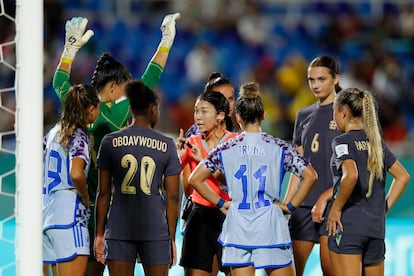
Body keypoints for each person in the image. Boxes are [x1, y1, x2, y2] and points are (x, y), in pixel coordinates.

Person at [52, 14, 180, 275]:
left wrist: (69, 50)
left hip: (75, 205)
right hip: (109, 207)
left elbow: (59, 83)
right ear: (112, 88)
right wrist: (165, 42)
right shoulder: (114, 113)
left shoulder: (78, 104)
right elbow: (150, 78)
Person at [188, 82, 318, 276]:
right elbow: (310, 175)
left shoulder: (226, 148)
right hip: (270, 225)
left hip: (239, 226)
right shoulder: (279, 147)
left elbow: (195, 178)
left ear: (238, 117)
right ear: (263, 115)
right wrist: (290, 206)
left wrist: (221, 203)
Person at [94, 80, 181, 276]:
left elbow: (104, 193)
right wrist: (172, 238)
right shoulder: (167, 144)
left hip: (119, 229)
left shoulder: (109, 142)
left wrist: (99, 234)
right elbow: (173, 197)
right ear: (153, 109)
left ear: (131, 110)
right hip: (155, 231)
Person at [326, 88, 410, 276]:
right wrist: (384, 207)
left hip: (348, 226)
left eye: (334, 111)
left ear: (344, 112)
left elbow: (351, 175)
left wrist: (336, 209)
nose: (333, 118)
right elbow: (403, 177)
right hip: (375, 228)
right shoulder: (375, 143)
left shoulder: (342, 142)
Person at [283, 55, 341, 276]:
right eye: (311, 80)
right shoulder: (303, 115)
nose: (316, 85)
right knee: (291, 271)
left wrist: (330, 196)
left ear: (336, 79)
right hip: (304, 204)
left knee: (330, 270)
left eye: (321, 79)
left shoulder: (346, 113)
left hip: (333, 204)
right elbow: (298, 167)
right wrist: (288, 204)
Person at [176, 90, 238, 276]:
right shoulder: (190, 142)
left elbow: (234, 182)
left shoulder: (235, 142)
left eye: (204, 111)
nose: (198, 117)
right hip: (199, 217)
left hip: (229, 215)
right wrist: (179, 160)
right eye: (196, 111)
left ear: (220, 115)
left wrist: (205, 159)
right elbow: (185, 188)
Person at [42, 84, 100, 276]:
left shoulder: (52, 134)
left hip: (47, 214)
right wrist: (85, 196)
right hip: (69, 217)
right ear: (91, 109)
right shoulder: (79, 135)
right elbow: (76, 173)